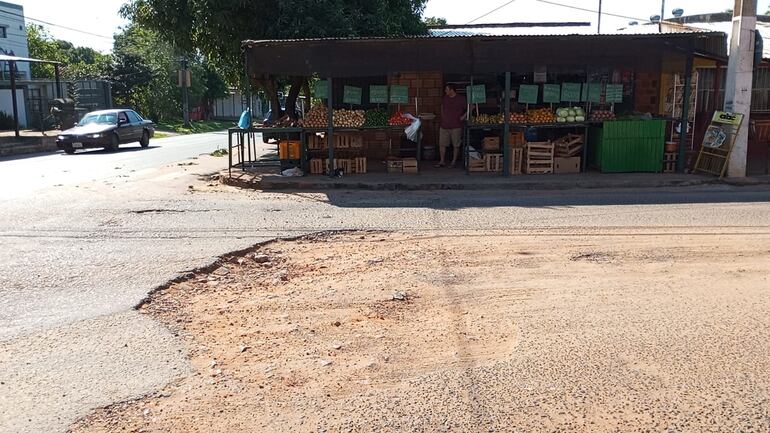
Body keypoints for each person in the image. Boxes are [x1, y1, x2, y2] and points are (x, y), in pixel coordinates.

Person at [436, 83, 467, 168]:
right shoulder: (445, 98)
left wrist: (462, 117)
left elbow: (469, 108)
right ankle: (442, 161)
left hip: (456, 126)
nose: (445, 91)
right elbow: (442, 107)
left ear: (451, 90)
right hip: (444, 125)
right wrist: (443, 117)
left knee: (456, 145)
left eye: (446, 89)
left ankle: (453, 162)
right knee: (442, 144)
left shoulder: (461, 99)